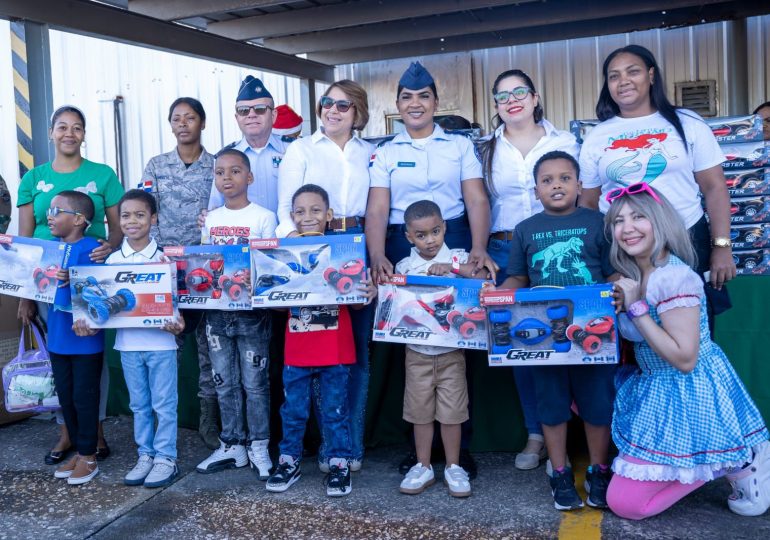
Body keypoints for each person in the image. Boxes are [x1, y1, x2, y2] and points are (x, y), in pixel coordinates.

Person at [604, 182, 770, 520]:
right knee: (623, 501)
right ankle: (726, 456)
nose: (627, 228)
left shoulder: (674, 277)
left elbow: (684, 358)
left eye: (638, 217)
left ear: (660, 221)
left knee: (628, 504)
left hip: (690, 390)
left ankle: (740, 458)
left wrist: (636, 308)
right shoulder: (635, 274)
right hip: (656, 388)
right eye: (618, 221)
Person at [366, 61, 494, 476]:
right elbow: (378, 207)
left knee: (460, 342)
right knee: (409, 337)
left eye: (423, 96)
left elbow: (475, 199)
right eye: (407, 97)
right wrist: (376, 255)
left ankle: (460, 449)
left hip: (452, 238)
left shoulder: (458, 146)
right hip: (402, 243)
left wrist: (476, 248)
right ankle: (418, 451)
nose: (415, 104)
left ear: (436, 102)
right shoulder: (385, 152)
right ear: (398, 105)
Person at [500, 151, 618, 510]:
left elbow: (612, 271)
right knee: (551, 405)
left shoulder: (599, 223)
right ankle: (559, 471)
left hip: (594, 331)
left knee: (597, 404)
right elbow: (518, 277)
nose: (556, 185)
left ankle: (600, 470)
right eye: (547, 180)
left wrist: (622, 287)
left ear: (580, 185)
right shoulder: (526, 230)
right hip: (547, 335)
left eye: (565, 178)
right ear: (536, 190)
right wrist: (498, 293)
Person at [477, 69, 580, 471]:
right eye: (502, 95)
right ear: (496, 105)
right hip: (505, 251)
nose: (512, 99)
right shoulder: (485, 149)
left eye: (520, 91)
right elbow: (480, 204)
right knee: (523, 341)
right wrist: (479, 249)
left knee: (568, 332)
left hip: (558, 246)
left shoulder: (565, 142)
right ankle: (536, 432)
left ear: (536, 98)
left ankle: (574, 428)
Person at [578, 45, 735, 308]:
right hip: (625, 245)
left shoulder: (687, 122)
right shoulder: (596, 136)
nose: (623, 81)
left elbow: (715, 187)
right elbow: (589, 204)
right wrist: (603, 256)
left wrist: (721, 246)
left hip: (686, 238)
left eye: (633, 71)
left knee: (692, 325)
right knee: (635, 322)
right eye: (614, 76)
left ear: (651, 76)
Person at [16, 105, 123, 465]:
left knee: (91, 359)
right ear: (50, 132)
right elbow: (25, 238)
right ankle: (66, 434)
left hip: (89, 277)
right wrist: (25, 294)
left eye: (77, 127)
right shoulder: (34, 178)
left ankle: (95, 433)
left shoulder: (102, 174)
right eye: (62, 127)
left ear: (83, 134)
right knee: (59, 360)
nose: (69, 133)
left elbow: (117, 224)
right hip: (47, 282)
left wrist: (113, 246)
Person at [275, 80, 373, 472]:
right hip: (313, 246)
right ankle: (318, 446)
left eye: (342, 105)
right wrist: (307, 259)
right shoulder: (300, 149)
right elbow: (286, 212)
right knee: (311, 352)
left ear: (358, 112)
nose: (332, 110)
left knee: (354, 353)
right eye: (326, 103)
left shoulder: (370, 152)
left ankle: (347, 448)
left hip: (356, 242)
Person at [266, 184, 377, 497]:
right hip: (298, 349)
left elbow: (356, 303)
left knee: (335, 409)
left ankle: (339, 462)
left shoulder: (346, 252)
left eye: (316, 210)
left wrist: (366, 292)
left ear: (329, 215)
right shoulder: (284, 256)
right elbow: (277, 305)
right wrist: (262, 292)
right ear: (292, 217)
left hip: (336, 349)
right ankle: (289, 461)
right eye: (300, 211)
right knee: (293, 410)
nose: (308, 216)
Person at [140, 97, 219, 450]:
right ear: (170, 125)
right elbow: (147, 213)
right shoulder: (156, 165)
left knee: (207, 349)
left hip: (207, 271)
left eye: (190, 118)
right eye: (177, 118)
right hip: (166, 270)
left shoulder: (217, 166)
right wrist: (157, 258)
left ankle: (209, 421)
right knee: (166, 349)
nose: (183, 123)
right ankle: (163, 425)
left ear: (202, 123)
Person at [395, 200, 485, 499]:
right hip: (417, 352)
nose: (430, 239)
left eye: (435, 231)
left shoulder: (459, 257)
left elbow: (482, 278)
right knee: (419, 412)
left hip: (451, 353)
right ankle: (422, 465)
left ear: (445, 227)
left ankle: (454, 465)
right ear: (408, 236)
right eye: (421, 235)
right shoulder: (404, 267)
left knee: (453, 413)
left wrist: (452, 268)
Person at [196, 149, 276, 479]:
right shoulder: (212, 219)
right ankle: (232, 445)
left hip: (252, 314)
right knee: (224, 382)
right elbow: (202, 262)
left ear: (249, 177)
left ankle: (259, 444)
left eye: (234, 171)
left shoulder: (264, 217)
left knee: (255, 383)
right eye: (220, 173)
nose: (226, 178)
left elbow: (270, 266)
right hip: (216, 312)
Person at [107, 190, 185, 488]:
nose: (132, 221)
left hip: (161, 344)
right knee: (139, 405)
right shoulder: (113, 260)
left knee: (164, 405)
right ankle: (146, 454)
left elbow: (178, 305)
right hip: (128, 345)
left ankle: (166, 457)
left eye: (140, 214)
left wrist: (179, 322)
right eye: (125, 215)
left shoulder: (166, 258)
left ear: (153, 218)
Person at [46, 191, 104, 485]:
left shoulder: (95, 248)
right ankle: (79, 452)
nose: (49, 215)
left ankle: (89, 456)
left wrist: (79, 277)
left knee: (84, 397)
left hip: (85, 339)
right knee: (66, 397)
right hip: (56, 337)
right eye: (49, 210)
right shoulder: (47, 249)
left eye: (57, 210)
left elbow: (103, 287)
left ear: (80, 220)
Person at [207, 76, 292, 215]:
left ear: (273, 115)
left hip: (289, 234)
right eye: (243, 110)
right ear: (237, 118)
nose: (251, 115)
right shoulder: (226, 157)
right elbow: (216, 207)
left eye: (260, 109)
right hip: (245, 235)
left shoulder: (293, 150)